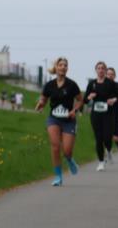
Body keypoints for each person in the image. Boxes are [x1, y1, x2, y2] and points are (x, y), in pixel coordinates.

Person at [35, 57, 83, 186]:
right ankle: (58, 176)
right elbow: (43, 100)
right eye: (60, 65)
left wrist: (75, 110)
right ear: (56, 67)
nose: (63, 67)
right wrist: (40, 104)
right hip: (54, 119)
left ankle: (70, 159)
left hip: (68, 120)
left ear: (67, 68)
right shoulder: (49, 85)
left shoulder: (72, 85)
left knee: (67, 151)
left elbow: (80, 100)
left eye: (65, 65)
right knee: (55, 146)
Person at [85, 61, 118, 170]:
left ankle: (108, 150)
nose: (100, 70)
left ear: (105, 71)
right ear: (96, 70)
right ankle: (101, 161)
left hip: (108, 114)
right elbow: (85, 99)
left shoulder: (110, 83)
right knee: (98, 138)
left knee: (107, 137)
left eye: (102, 68)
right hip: (96, 114)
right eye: (98, 68)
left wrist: (113, 99)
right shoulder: (92, 83)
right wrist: (90, 97)